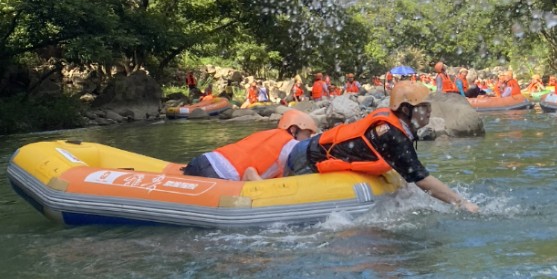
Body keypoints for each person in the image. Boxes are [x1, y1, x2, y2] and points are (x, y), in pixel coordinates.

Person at [284, 81, 479, 213]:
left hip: (310, 148)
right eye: (424, 107)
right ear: (405, 109)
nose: (429, 111)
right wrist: (461, 203)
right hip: (305, 158)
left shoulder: (393, 123)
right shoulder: (393, 136)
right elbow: (421, 178)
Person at [183, 109, 319, 181]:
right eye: (307, 134)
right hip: (216, 174)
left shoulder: (268, 134)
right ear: (294, 129)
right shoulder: (292, 144)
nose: (307, 139)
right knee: (251, 174)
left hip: (202, 161)